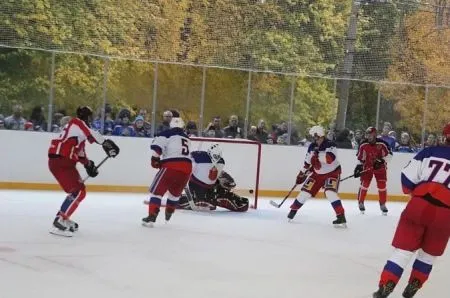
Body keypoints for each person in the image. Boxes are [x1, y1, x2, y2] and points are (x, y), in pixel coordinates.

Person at [372, 123, 450, 298]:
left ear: (445, 137)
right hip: (446, 213)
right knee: (428, 255)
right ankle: (414, 285)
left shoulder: (429, 152)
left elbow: (407, 178)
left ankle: (386, 286)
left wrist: (413, 192)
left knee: (403, 251)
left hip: (419, 205)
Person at [48, 106, 120, 236]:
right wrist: (107, 144)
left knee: (79, 191)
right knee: (78, 191)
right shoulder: (77, 122)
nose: (90, 120)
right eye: (90, 117)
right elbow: (92, 134)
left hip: (61, 162)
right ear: (86, 117)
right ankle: (59, 220)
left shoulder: (76, 134)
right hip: (61, 160)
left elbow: (80, 154)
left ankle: (63, 217)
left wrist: (88, 165)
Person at [287, 125, 347, 227]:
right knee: (304, 192)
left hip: (332, 172)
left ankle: (341, 216)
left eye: (315, 137)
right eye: (313, 137)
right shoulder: (311, 146)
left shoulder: (330, 144)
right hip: (317, 174)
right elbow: (307, 163)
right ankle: (293, 211)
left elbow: (330, 159)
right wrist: (301, 173)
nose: (314, 139)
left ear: (319, 135)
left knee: (330, 192)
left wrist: (316, 156)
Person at [142, 114, 192, 227]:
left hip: (172, 166)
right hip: (187, 169)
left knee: (157, 192)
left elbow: (157, 148)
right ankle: (169, 212)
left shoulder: (166, 133)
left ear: (171, 125)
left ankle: (151, 216)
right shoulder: (187, 138)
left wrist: (155, 159)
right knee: (175, 193)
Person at [178, 144, 249, 212]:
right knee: (205, 202)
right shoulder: (200, 157)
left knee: (243, 205)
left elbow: (226, 181)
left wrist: (224, 179)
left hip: (211, 190)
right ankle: (184, 200)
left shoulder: (219, 163)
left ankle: (200, 199)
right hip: (197, 188)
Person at [354, 127, 392, 214]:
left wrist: (382, 161)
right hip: (367, 167)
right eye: (367, 135)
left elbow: (389, 155)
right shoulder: (363, 144)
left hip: (380, 168)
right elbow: (360, 158)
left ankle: (382, 204)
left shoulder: (382, 143)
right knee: (365, 184)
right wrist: (358, 167)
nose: (368, 137)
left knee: (382, 185)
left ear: (375, 135)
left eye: (370, 135)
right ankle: (361, 202)